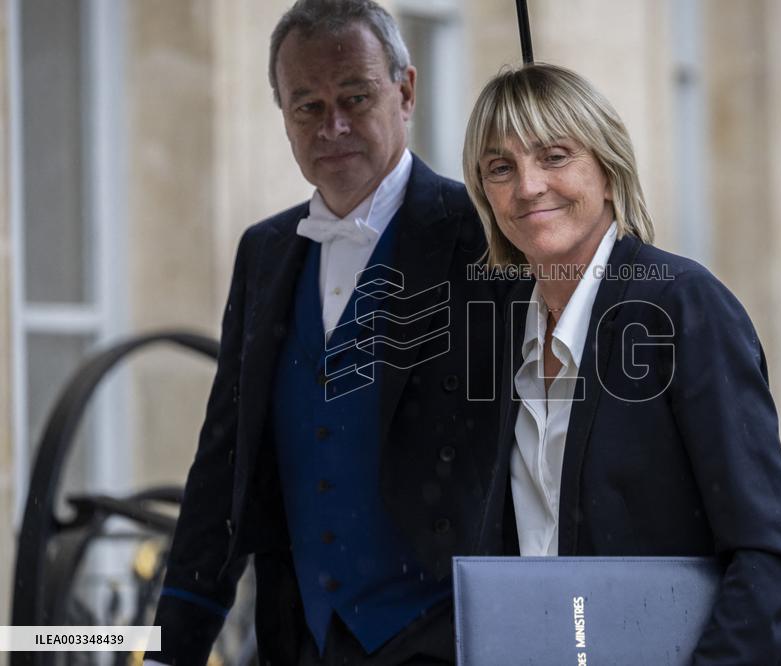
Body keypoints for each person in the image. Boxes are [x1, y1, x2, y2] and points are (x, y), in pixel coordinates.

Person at [146, 1, 502, 664]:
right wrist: (173, 646)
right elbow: (224, 468)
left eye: (355, 96)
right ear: (282, 115)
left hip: (452, 637)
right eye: (306, 105)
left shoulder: (486, 237)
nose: (332, 126)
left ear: (406, 92)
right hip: (298, 637)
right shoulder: (264, 253)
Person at [462, 63, 781, 664]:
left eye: (554, 155)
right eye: (501, 167)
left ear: (608, 172)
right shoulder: (502, 331)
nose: (527, 186)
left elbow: (769, 555)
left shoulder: (681, 306)